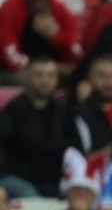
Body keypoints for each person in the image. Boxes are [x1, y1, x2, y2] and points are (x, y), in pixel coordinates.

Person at [0, 0, 84, 74]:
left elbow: (76, 56)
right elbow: (9, 56)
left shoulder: (61, 10)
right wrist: (43, 69)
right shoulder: (9, 9)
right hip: (19, 71)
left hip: (54, 70)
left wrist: (56, 35)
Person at [0, 56, 68, 197]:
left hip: (54, 179)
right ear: (28, 78)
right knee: (30, 196)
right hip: (18, 178)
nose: (45, 81)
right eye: (39, 75)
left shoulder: (64, 111)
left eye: (50, 76)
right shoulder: (13, 110)